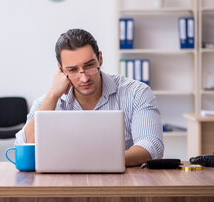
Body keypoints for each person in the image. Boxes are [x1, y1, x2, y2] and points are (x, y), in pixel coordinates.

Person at [15, 28, 164, 167]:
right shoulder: (47, 102)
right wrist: (53, 96)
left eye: (89, 66)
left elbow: (151, 145)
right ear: (60, 70)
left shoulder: (137, 93)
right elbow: (24, 149)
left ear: (100, 59)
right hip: (63, 186)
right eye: (73, 70)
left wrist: (100, 162)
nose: (84, 78)